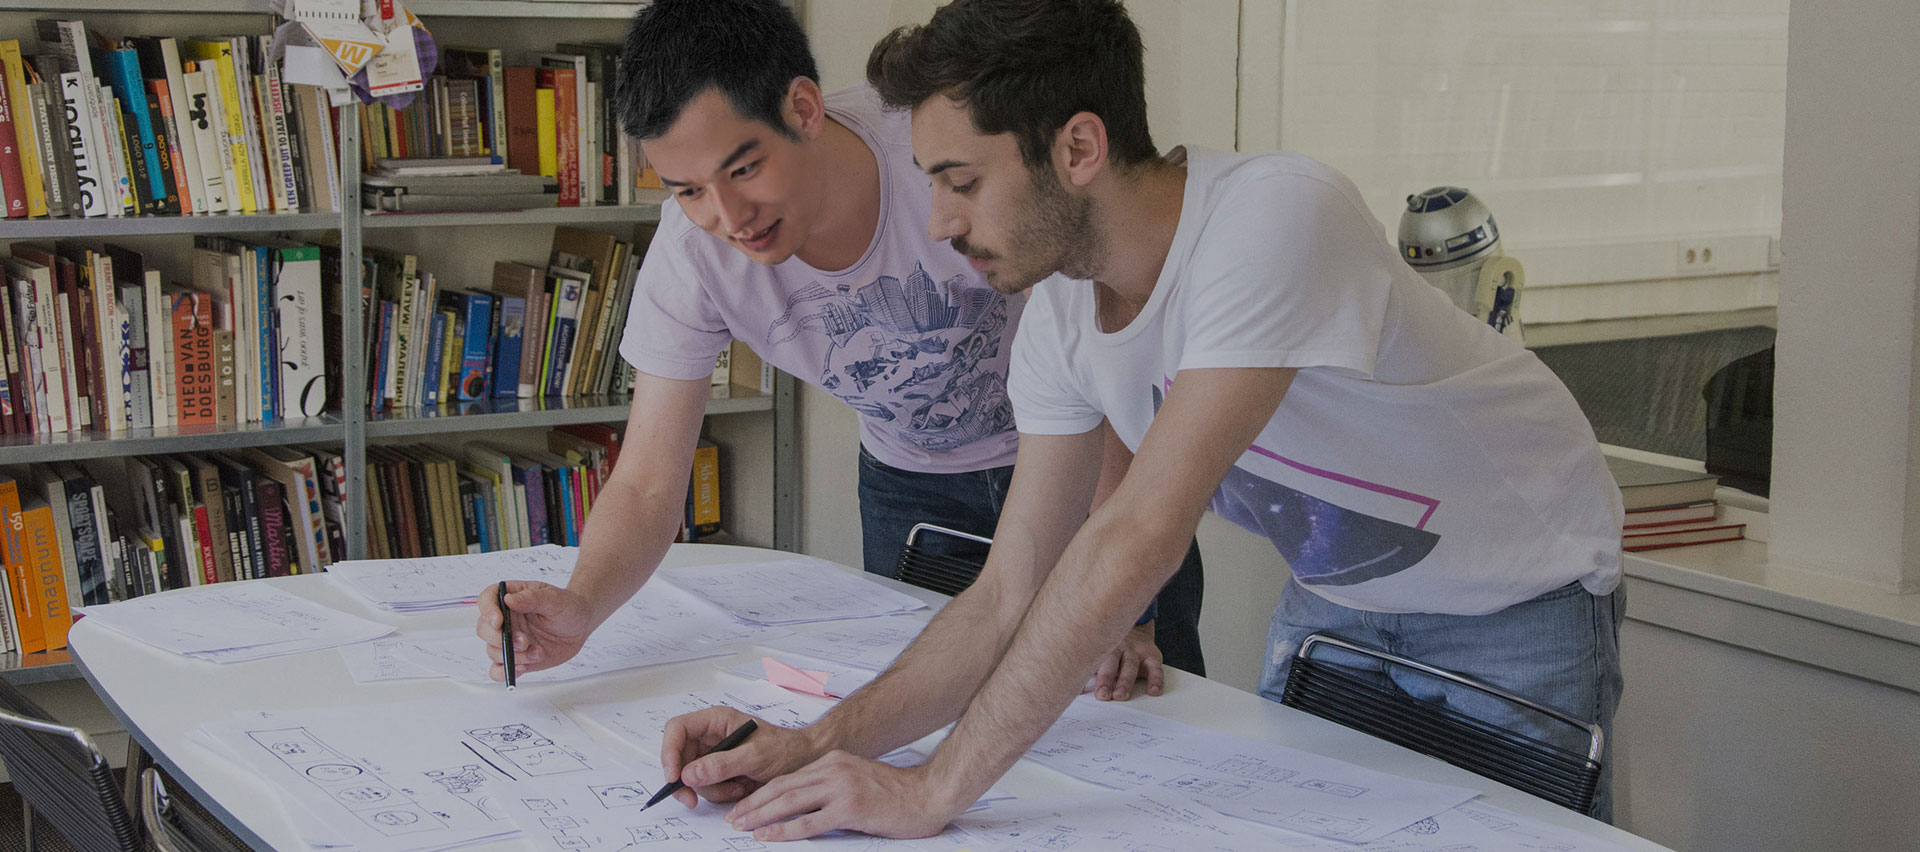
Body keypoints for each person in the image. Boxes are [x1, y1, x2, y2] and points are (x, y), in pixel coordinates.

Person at [655, 0, 1627, 840]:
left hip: (1513, 598)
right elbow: (1009, 590)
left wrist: (933, 789)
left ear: (1078, 148)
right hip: (1336, 599)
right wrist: (810, 745)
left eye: (961, 181)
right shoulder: (1060, 313)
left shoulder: (1272, 218)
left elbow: (1137, 536)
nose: (941, 221)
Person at [474, 0, 1206, 703]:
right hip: (910, 486)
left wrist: (1127, 600)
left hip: (1092, 463)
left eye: (743, 169)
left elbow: (1104, 346)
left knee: (1140, 707)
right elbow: (645, 484)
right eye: (688, 190)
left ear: (803, 108)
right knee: (940, 708)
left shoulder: (942, 150)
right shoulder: (690, 254)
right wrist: (583, 605)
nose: (729, 218)